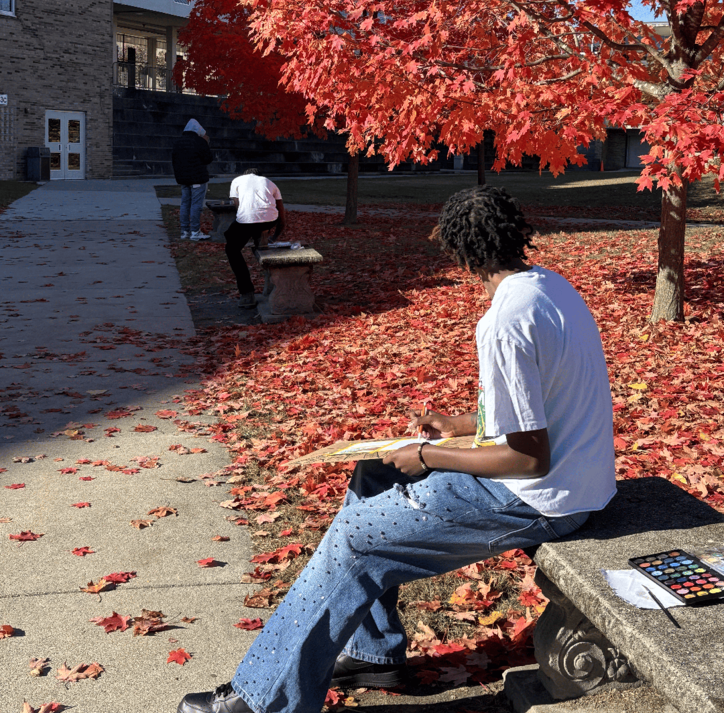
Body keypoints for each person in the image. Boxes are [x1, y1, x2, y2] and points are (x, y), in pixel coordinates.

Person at [177, 186, 616, 713]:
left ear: (462, 253)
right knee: (372, 477)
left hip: (541, 499)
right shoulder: (550, 287)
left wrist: (428, 456)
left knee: (353, 538)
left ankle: (262, 699)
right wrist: (455, 425)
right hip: (572, 480)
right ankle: (372, 652)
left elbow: (528, 457)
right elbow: (537, 408)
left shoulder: (504, 320)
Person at [224, 168, 286, 309]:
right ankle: (259, 236)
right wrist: (274, 237)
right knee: (238, 232)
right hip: (270, 220)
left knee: (231, 249)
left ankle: (247, 294)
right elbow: (282, 217)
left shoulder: (237, 181)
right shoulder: (269, 183)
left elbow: (239, 207)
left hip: (246, 221)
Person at [172, 118, 213, 241]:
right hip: (198, 179)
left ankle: (184, 231)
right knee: (196, 205)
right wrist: (206, 143)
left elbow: (174, 159)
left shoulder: (178, 142)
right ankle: (195, 231)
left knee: (185, 204)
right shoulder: (199, 142)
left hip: (183, 178)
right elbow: (208, 159)